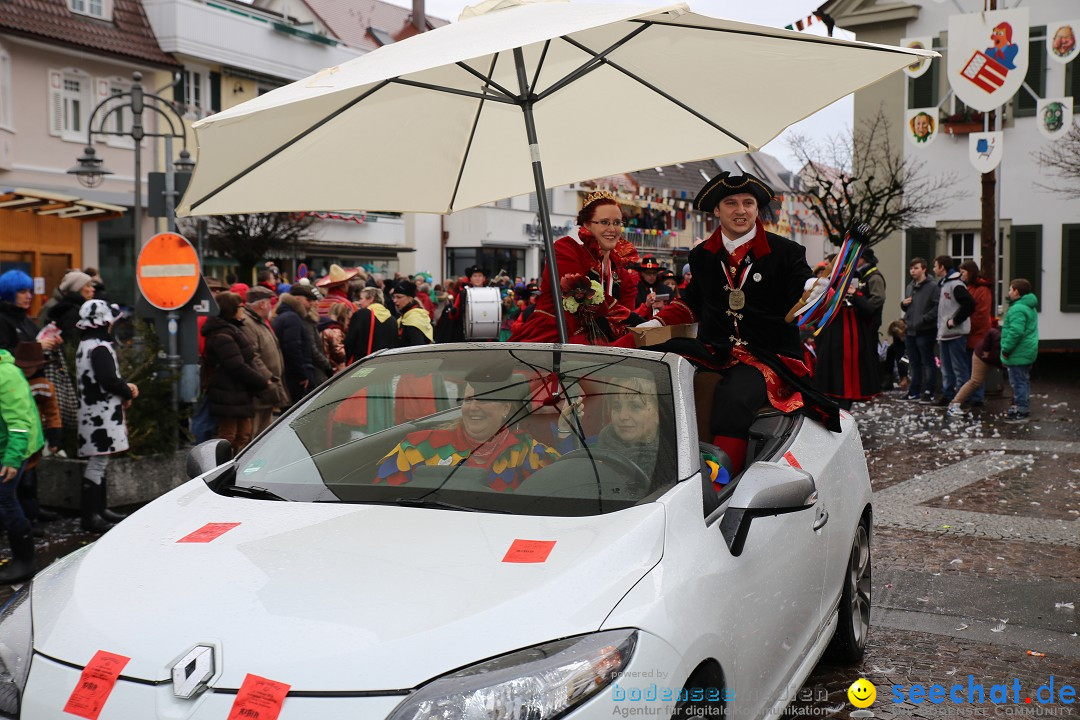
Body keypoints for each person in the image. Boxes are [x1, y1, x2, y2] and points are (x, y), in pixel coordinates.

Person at [640, 171, 840, 475]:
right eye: (731, 203)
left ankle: (719, 480)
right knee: (660, 368)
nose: (741, 210)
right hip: (717, 350)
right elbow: (691, 303)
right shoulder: (701, 256)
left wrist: (813, 287)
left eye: (748, 203)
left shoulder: (786, 253)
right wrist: (657, 323)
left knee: (734, 399)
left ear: (757, 209)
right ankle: (664, 465)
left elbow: (803, 287)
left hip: (768, 355)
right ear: (717, 211)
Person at [374, 379, 558, 492]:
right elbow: (382, 499)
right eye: (468, 400)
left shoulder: (524, 449)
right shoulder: (420, 446)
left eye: (484, 399)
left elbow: (562, 482)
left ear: (505, 408)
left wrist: (564, 432)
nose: (474, 407)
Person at [510, 190, 640, 345]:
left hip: (605, 345)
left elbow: (624, 318)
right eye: (604, 222)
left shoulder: (622, 274)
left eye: (617, 222)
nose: (612, 229)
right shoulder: (567, 250)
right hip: (554, 338)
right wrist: (636, 321)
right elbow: (578, 290)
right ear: (586, 224)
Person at [74, 300, 137, 533]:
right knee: (98, 461)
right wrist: (128, 389)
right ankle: (92, 515)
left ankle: (99, 510)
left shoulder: (87, 344)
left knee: (101, 460)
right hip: (100, 415)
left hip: (95, 412)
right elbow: (108, 379)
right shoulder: (99, 347)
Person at [202, 292, 271, 452]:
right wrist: (261, 381)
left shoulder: (232, 329)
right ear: (230, 309)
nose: (243, 309)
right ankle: (221, 471)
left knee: (244, 435)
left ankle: (237, 470)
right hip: (227, 391)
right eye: (240, 306)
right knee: (229, 436)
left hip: (238, 390)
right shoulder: (222, 335)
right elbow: (236, 365)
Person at [555, 376, 660, 480]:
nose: (623, 416)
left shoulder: (672, 457)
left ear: (658, 414)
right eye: (616, 407)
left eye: (635, 406)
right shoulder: (591, 448)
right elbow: (566, 476)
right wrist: (565, 429)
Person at [0, 344, 45, 582]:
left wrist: (13, 457)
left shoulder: (5, 374)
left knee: (5, 499)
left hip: (10, 450)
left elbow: (19, 420)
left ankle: (25, 562)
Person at [13, 342, 62, 527]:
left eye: (30, 366)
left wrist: (55, 435)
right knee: (16, 484)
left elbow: (52, 412)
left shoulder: (44, 386)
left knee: (28, 482)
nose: (27, 370)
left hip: (34, 440)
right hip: (15, 439)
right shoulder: (10, 381)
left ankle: (31, 515)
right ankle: (24, 517)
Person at [240, 286, 290, 437]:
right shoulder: (248, 323)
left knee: (263, 432)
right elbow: (253, 355)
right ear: (262, 304)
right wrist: (268, 378)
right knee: (254, 434)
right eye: (269, 302)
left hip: (268, 386)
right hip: (261, 387)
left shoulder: (259, 321)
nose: (271, 306)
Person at [933, 255, 975, 406]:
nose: (934, 269)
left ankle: (962, 397)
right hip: (945, 333)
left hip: (955, 333)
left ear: (942, 267)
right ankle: (948, 394)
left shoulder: (956, 285)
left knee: (959, 368)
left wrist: (955, 321)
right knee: (946, 368)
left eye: (935, 265)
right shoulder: (944, 284)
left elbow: (970, 304)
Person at [900, 257, 939, 403]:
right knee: (914, 362)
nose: (912, 271)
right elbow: (907, 306)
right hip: (910, 329)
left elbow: (937, 306)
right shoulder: (910, 286)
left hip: (925, 329)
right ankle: (914, 391)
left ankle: (929, 391)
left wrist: (925, 318)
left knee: (928, 361)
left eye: (916, 268)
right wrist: (903, 304)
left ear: (924, 269)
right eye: (911, 268)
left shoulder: (933, 287)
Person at [1000, 279, 1039, 424]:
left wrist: (1006, 349)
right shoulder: (1029, 306)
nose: (1009, 292)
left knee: (1018, 382)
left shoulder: (1017, 308)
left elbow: (1016, 332)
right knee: (1023, 380)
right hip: (1027, 350)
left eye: (1010, 289)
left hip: (1018, 352)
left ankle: (1021, 410)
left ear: (1016, 292)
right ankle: (1021, 407)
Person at [273, 288, 317, 406]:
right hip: (293, 375)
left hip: (288, 372)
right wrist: (301, 374)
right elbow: (292, 347)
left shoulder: (283, 316)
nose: (311, 303)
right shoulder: (292, 318)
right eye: (308, 300)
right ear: (298, 299)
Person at [959, 260, 994, 408]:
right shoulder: (970, 288)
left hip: (977, 335)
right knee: (968, 366)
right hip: (971, 334)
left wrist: (967, 326)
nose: (961, 276)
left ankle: (977, 397)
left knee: (975, 369)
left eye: (963, 272)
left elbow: (980, 313)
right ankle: (971, 396)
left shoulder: (981, 290)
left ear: (970, 272)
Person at [947, 325, 1001, 419]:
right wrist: (986, 350)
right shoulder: (1000, 337)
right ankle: (954, 404)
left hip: (993, 358)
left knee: (1016, 381)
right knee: (975, 381)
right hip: (982, 355)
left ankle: (1017, 406)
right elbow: (991, 332)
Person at [344, 287, 397, 362]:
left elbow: (350, 342)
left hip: (362, 362)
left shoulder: (361, 314)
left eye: (361, 299)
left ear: (371, 298)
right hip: (385, 363)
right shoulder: (392, 319)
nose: (359, 302)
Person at [391, 280, 434, 347]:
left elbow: (418, 349)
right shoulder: (405, 316)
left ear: (410, 298)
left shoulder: (415, 318)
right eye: (394, 297)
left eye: (399, 297)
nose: (394, 300)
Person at [856, 249, 886, 340]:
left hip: (870, 322)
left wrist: (865, 307)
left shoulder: (875, 277)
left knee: (869, 350)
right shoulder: (863, 276)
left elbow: (878, 298)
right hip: (863, 321)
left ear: (863, 259)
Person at [319, 302, 352, 374]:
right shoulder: (335, 331)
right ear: (342, 318)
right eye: (348, 319)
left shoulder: (325, 327)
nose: (349, 322)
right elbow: (340, 354)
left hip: (327, 368)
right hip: (336, 371)